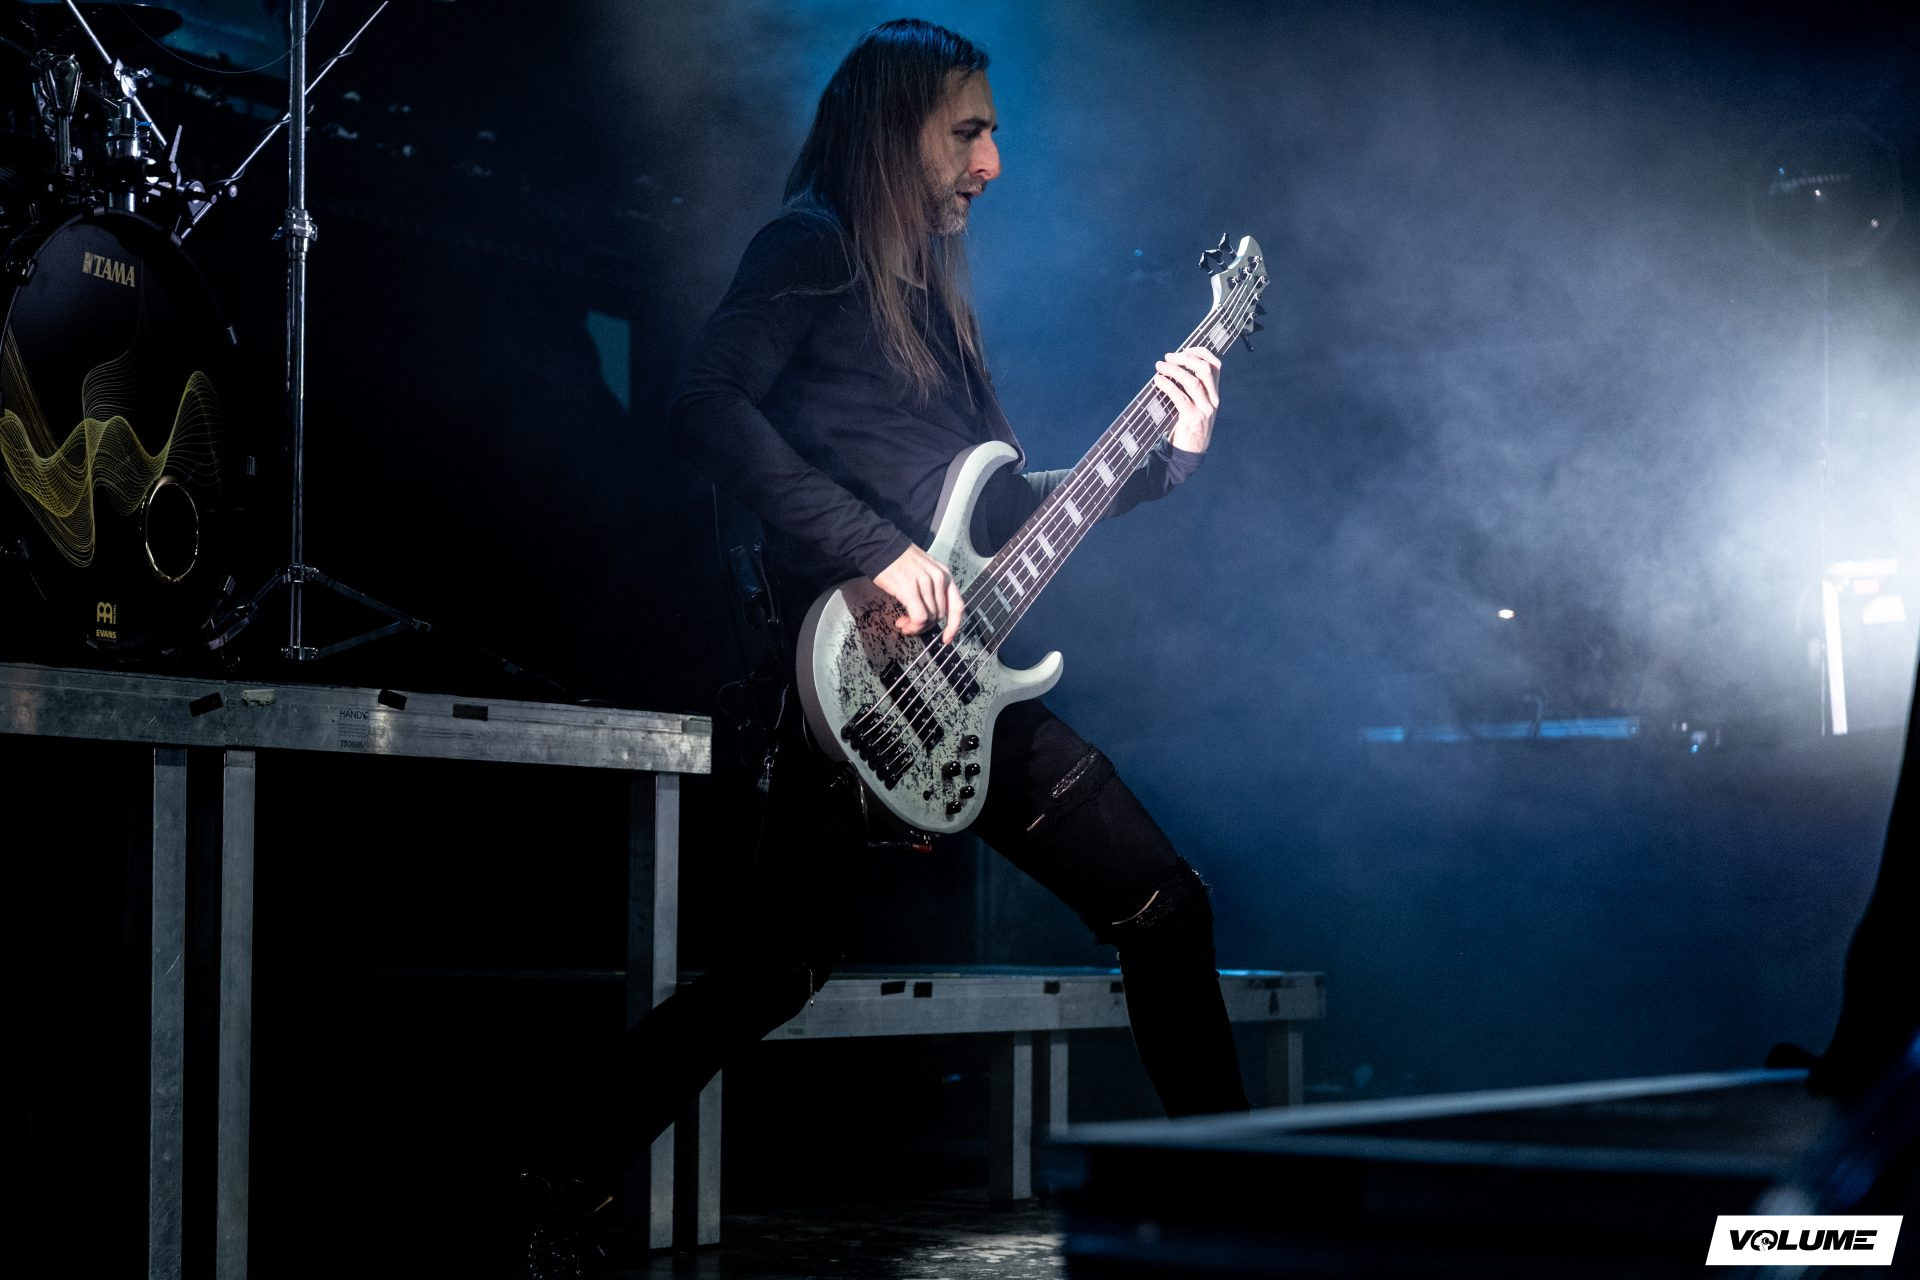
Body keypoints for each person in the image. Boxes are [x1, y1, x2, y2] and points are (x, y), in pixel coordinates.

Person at [528, 20, 1248, 1262]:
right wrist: (873, 547)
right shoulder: (810, 248)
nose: (992, 162)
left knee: (1163, 906)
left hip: (955, 683)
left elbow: (1001, 516)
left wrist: (1163, 459)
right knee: (774, 972)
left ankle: (1238, 1213)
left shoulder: (937, 306)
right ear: (892, 131)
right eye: (968, 131)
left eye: (994, 133)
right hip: (847, 674)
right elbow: (704, 405)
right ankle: (551, 1175)